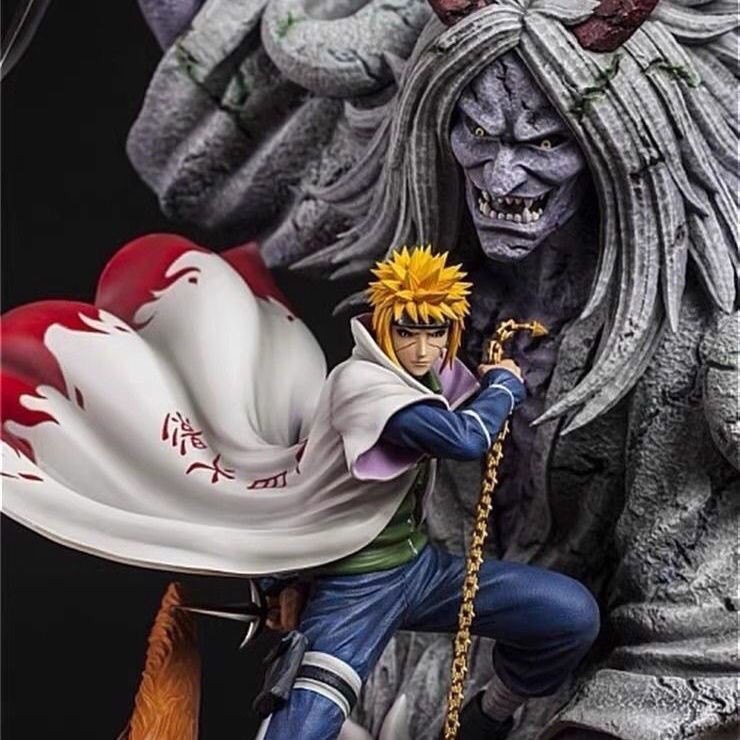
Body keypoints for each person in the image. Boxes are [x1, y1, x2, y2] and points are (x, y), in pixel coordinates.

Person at [256, 246, 600, 740]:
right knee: (301, 728)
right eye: (407, 333)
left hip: (419, 569)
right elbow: (464, 439)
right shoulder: (362, 384)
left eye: (434, 333)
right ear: (384, 328)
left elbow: (462, 392)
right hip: (354, 585)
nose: (421, 350)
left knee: (568, 615)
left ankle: (486, 719)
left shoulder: (433, 374)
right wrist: (503, 388)